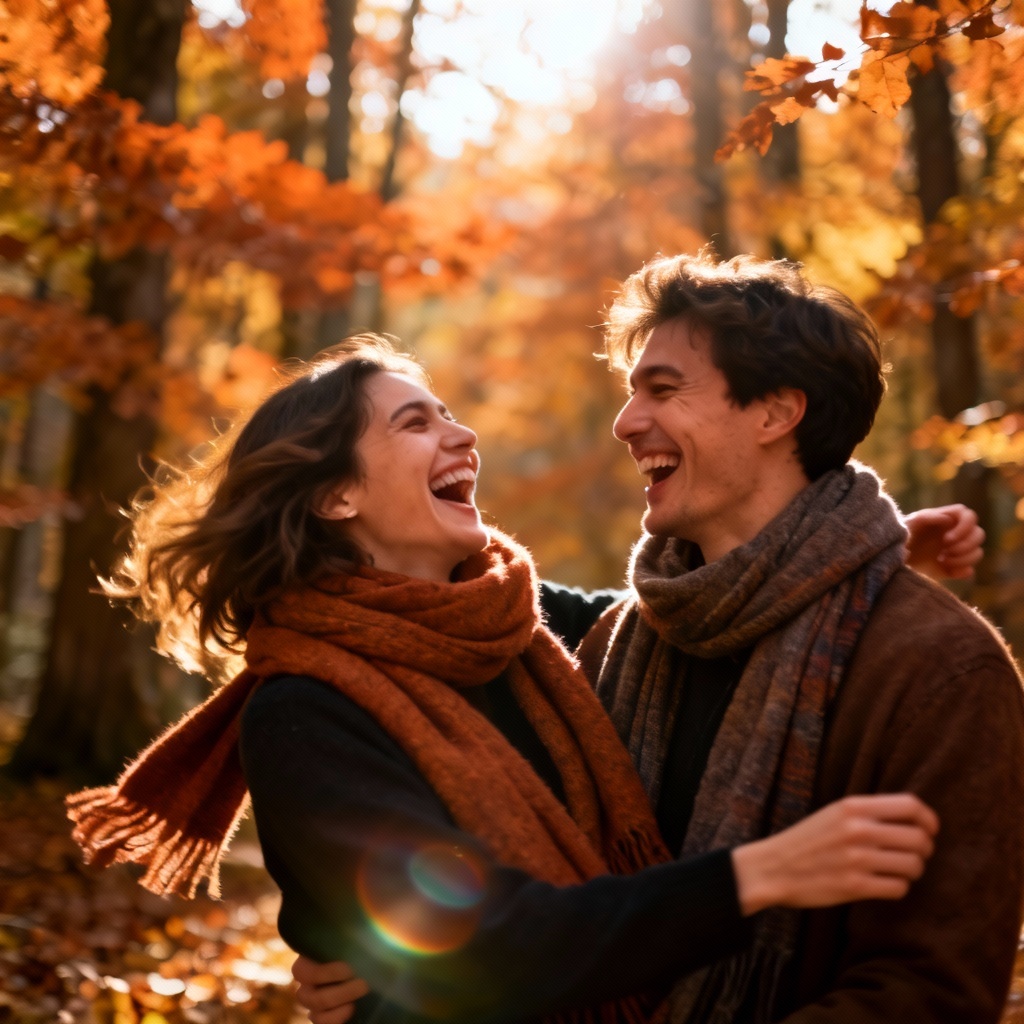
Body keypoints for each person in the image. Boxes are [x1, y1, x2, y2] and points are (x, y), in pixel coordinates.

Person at [64, 334, 941, 1024]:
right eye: (415, 424)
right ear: (336, 497)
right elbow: (475, 947)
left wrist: (843, 553)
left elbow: (686, 619)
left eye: (448, 413)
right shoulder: (306, 711)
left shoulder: (514, 619)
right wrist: (758, 877)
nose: (463, 434)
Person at [296, 254, 1024, 1024]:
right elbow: (524, 889)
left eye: (664, 389)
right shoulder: (616, 642)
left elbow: (927, 993)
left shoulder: (939, 668)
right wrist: (396, 967)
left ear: (776, 413)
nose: (625, 421)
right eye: (631, 390)